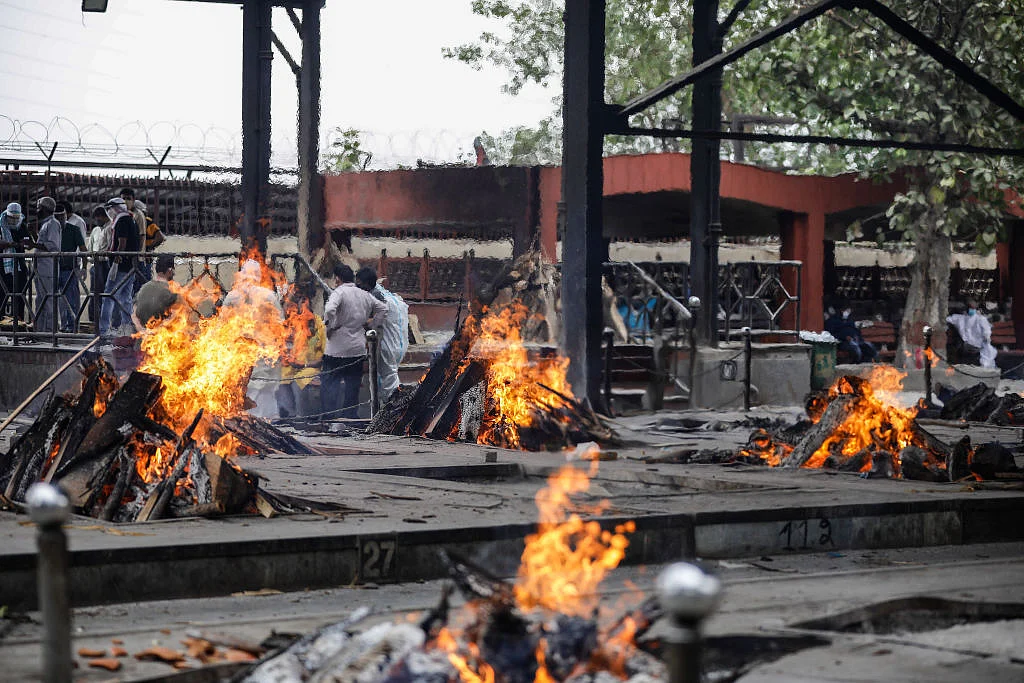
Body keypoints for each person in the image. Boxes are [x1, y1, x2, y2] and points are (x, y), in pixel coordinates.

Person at [322, 264, 387, 419]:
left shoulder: (339, 292)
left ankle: (329, 419)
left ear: (337, 278)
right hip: (357, 349)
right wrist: (371, 325)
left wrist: (330, 326)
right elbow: (383, 309)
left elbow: (330, 310)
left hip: (336, 350)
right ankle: (349, 419)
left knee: (331, 386)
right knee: (352, 388)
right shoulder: (365, 295)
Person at [356, 266, 409, 402]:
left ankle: (391, 412)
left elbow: (377, 318)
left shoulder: (377, 297)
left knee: (386, 381)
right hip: (399, 344)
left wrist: (365, 324)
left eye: (359, 283)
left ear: (366, 283)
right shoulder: (388, 295)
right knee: (390, 376)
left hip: (388, 346)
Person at [276, 294, 326, 419]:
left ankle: (304, 419)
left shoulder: (317, 323)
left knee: (300, 380)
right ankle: (287, 417)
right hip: (288, 368)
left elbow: (325, 355)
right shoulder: (284, 325)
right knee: (278, 380)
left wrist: (303, 364)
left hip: (310, 367)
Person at [98, 197, 140, 338]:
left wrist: (116, 259)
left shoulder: (122, 220)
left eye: (110, 209)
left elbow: (122, 242)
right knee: (125, 297)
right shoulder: (131, 219)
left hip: (120, 265)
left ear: (116, 208)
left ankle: (104, 330)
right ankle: (127, 328)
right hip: (130, 266)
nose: (109, 212)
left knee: (108, 296)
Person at [27, 197, 63, 333]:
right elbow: (43, 244)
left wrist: (32, 244)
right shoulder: (46, 224)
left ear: (45, 209)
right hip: (41, 269)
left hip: (48, 269)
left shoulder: (53, 224)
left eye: (39, 207)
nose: (37, 210)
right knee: (41, 300)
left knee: (48, 301)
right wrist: (33, 235)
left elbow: (53, 246)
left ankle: (49, 331)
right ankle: (41, 330)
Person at [55, 201, 87, 332]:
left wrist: (84, 267)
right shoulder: (51, 229)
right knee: (58, 300)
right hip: (54, 269)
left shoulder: (74, 229)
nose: (61, 219)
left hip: (70, 269)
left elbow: (83, 249)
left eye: (62, 217)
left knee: (71, 301)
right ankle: (62, 327)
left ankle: (72, 327)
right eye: (58, 217)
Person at [132, 254, 179, 330]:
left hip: (143, 336)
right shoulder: (170, 292)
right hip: (161, 337)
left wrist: (142, 331)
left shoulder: (143, 288)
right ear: (170, 270)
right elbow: (178, 317)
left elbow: (133, 313)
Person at [0, 202, 29, 323]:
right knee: (1, 296)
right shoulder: (1, 225)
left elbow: (28, 241)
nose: (13, 220)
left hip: (19, 267)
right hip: (3, 268)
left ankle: (19, 323)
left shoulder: (22, 225)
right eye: (11, 217)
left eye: (15, 218)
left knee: (20, 296)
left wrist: (24, 242)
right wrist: (8, 244)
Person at [947, 298, 996, 368]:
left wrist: (986, 340)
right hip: (964, 347)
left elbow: (987, 333)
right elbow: (949, 319)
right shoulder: (961, 318)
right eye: (969, 307)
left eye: (972, 308)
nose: (970, 310)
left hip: (978, 347)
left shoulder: (981, 319)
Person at [87, 205, 113, 328]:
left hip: (106, 263)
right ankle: (93, 319)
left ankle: (104, 321)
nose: (97, 221)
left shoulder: (111, 227)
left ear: (103, 217)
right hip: (96, 263)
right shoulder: (96, 230)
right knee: (94, 292)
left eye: (98, 218)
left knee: (105, 292)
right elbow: (90, 247)